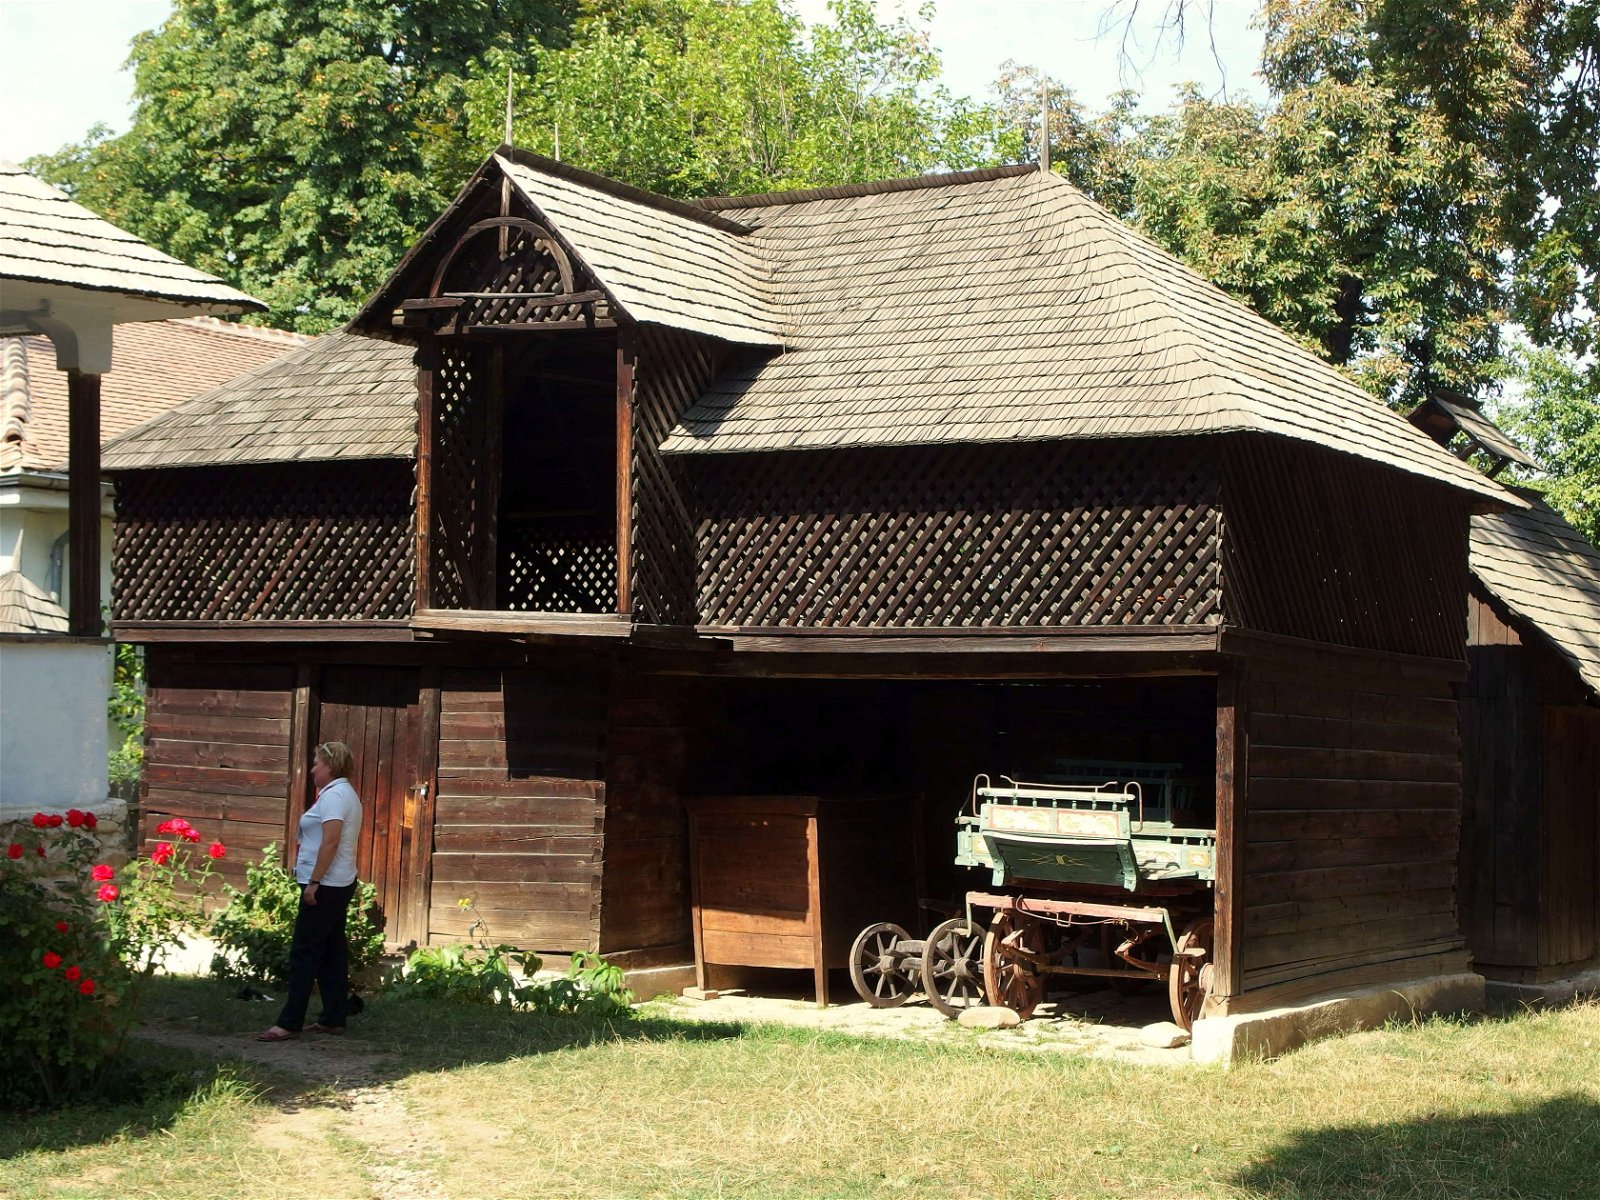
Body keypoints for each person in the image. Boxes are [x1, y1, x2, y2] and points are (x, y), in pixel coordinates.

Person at [257, 740, 363, 1042]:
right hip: (337, 881)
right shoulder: (342, 794)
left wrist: (314, 881)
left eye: (317, 763)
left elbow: (330, 841)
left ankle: (289, 1022)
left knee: (304, 951)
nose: (313, 769)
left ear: (330, 766)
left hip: (326, 885)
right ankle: (333, 1017)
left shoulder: (335, 797)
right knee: (331, 951)